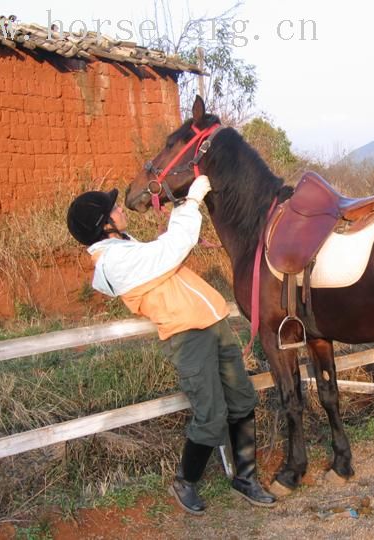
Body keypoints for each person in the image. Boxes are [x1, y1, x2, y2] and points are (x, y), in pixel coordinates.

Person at [66, 176, 276, 515]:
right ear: (104, 225)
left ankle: (246, 477)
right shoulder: (113, 262)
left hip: (214, 324)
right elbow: (171, 249)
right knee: (211, 416)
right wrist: (190, 203)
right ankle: (185, 481)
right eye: (114, 209)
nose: (121, 208)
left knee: (242, 400)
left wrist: (181, 210)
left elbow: (165, 250)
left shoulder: (126, 248)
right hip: (189, 337)